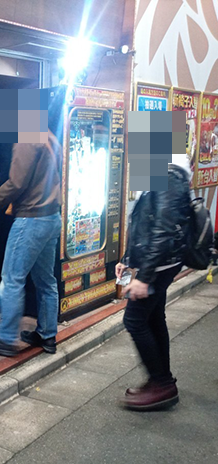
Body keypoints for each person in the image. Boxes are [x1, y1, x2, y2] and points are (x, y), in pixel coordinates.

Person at [0, 129, 62, 357]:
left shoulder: (28, 137)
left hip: (31, 219)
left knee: (11, 279)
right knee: (46, 280)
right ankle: (47, 335)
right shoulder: (50, 137)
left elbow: (17, 182)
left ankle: (6, 338)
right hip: (52, 216)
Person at [116, 153, 191, 411]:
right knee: (153, 317)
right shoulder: (158, 170)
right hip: (158, 262)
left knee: (134, 320)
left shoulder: (169, 174)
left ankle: (161, 384)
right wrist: (127, 259)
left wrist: (144, 278)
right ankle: (162, 379)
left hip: (160, 264)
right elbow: (141, 220)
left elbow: (163, 229)